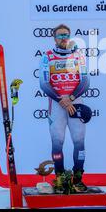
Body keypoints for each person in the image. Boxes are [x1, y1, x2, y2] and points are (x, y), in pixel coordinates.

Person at [39, 24, 90, 193]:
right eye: (60, 35)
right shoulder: (47, 57)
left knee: (79, 142)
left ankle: (78, 178)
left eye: (66, 35)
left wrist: (71, 99)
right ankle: (60, 177)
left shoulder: (78, 56)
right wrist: (62, 100)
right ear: (54, 38)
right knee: (57, 143)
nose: (63, 38)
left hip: (75, 103)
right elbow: (44, 84)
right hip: (57, 105)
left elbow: (85, 82)